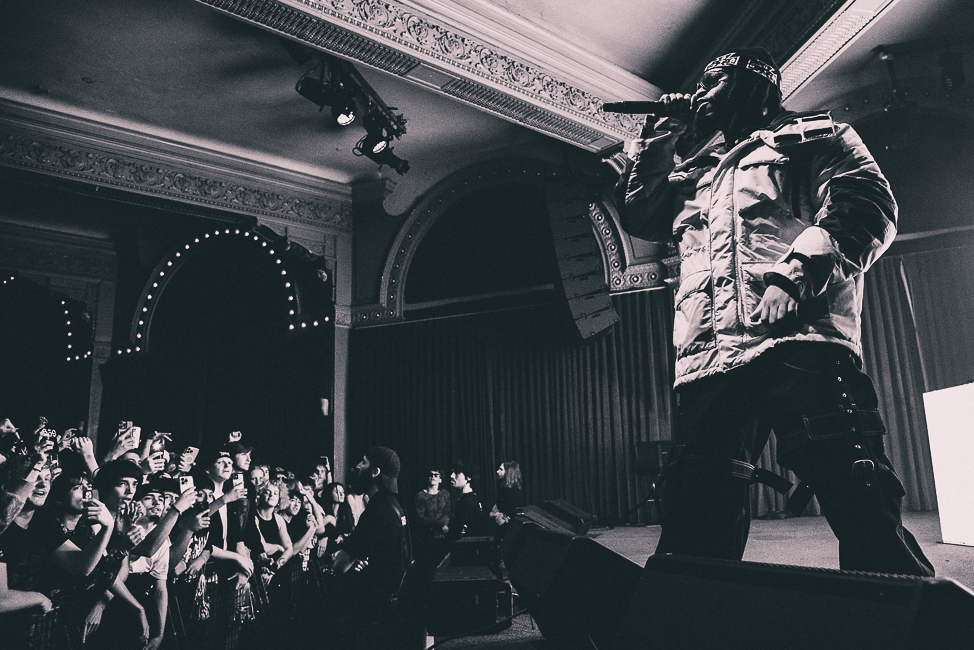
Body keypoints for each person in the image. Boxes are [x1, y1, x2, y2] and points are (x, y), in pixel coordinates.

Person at [621, 48, 933, 576]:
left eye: (714, 80)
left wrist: (796, 275)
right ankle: (686, 609)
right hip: (709, 357)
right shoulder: (697, 171)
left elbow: (867, 205)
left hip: (798, 338)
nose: (701, 92)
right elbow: (639, 213)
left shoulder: (813, 136)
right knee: (696, 499)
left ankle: (904, 603)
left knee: (853, 482)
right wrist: (660, 133)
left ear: (754, 84)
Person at [333, 447, 413, 648]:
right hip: (395, 604)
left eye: (364, 462)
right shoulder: (397, 508)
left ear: (375, 472)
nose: (358, 466)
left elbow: (340, 565)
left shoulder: (376, 512)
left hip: (377, 610)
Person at [446, 461, 485, 540]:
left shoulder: (468, 502)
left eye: (457, 473)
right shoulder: (466, 499)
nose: (451, 476)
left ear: (468, 477)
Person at [490, 461, 524, 529]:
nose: (497, 471)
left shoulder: (513, 491)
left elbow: (510, 511)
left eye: (501, 469)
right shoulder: (504, 488)